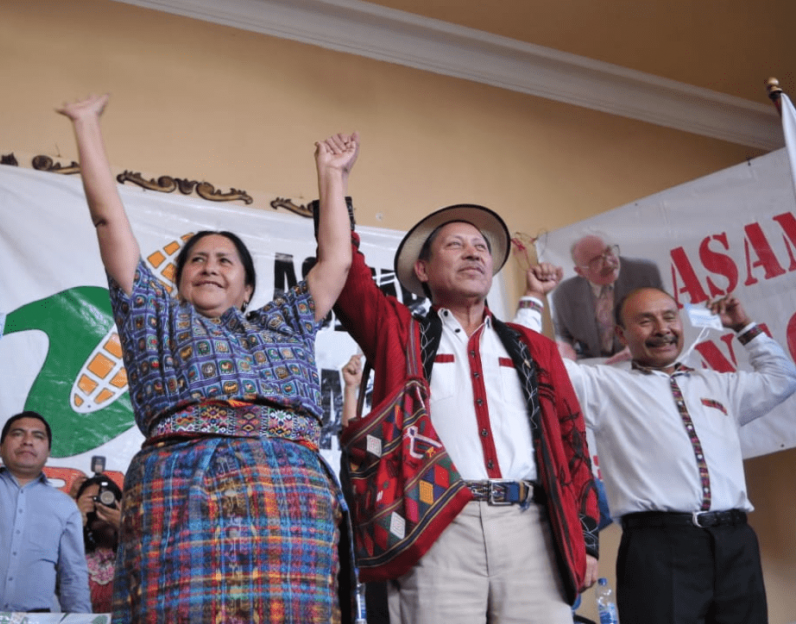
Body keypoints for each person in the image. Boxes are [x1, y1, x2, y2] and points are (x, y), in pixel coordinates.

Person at [57, 93, 357, 623]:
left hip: (288, 498)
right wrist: (87, 125)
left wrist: (332, 177)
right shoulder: (156, 315)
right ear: (177, 281)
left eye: (225, 260)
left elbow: (336, 260)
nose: (210, 267)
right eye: (197, 259)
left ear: (246, 286)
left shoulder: (283, 321)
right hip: (181, 491)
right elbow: (108, 223)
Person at [331, 200, 600, 623]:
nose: (473, 252)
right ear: (422, 270)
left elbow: (573, 442)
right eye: (455, 245)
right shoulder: (402, 335)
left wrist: (585, 540)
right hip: (434, 523)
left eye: (480, 247)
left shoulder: (535, 349)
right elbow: (346, 279)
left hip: (532, 528)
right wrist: (334, 181)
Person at [553, 286, 796, 624]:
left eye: (669, 317)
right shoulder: (604, 386)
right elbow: (543, 369)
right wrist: (535, 298)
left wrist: (743, 326)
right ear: (622, 334)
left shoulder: (719, 385)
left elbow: (782, 377)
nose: (662, 329)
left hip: (735, 541)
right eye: (646, 321)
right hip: (659, 546)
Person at [0, 319, 91, 613]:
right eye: (17, 434)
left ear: (48, 451)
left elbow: (74, 578)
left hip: (34, 618)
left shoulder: (64, 507)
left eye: (38, 436)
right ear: (0, 447)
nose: (27, 441)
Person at [552, 233, 662, 361]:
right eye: (596, 261)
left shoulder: (645, 273)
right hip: (598, 367)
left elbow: (662, 318)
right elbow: (563, 334)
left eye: (609, 252)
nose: (608, 263)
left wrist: (641, 346)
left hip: (643, 360)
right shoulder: (564, 293)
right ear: (580, 272)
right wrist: (566, 348)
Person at [74, 474, 122, 614]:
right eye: (93, 500)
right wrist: (75, 519)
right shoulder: (70, 545)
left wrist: (124, 526)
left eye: (106, 499)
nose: (99, 506)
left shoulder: (134, 545)